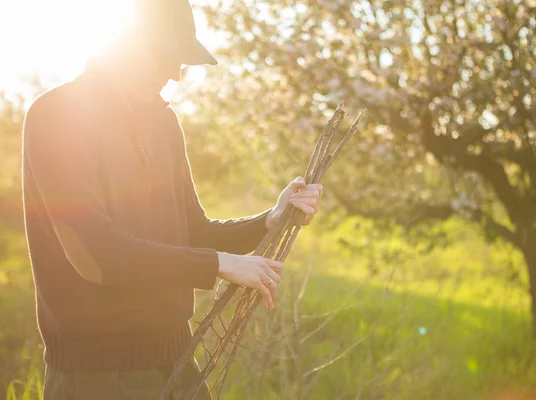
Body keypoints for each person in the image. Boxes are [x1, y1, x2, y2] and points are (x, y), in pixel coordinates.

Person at [21, 0, 323, 398]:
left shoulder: (162, 121)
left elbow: (191, 231)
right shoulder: (57, 115)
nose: (175, 75)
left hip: (179, 366)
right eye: (165, 55)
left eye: (180, 61)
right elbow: (95, 255)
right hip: (97, 377)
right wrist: (218, 264)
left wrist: (268, 220)